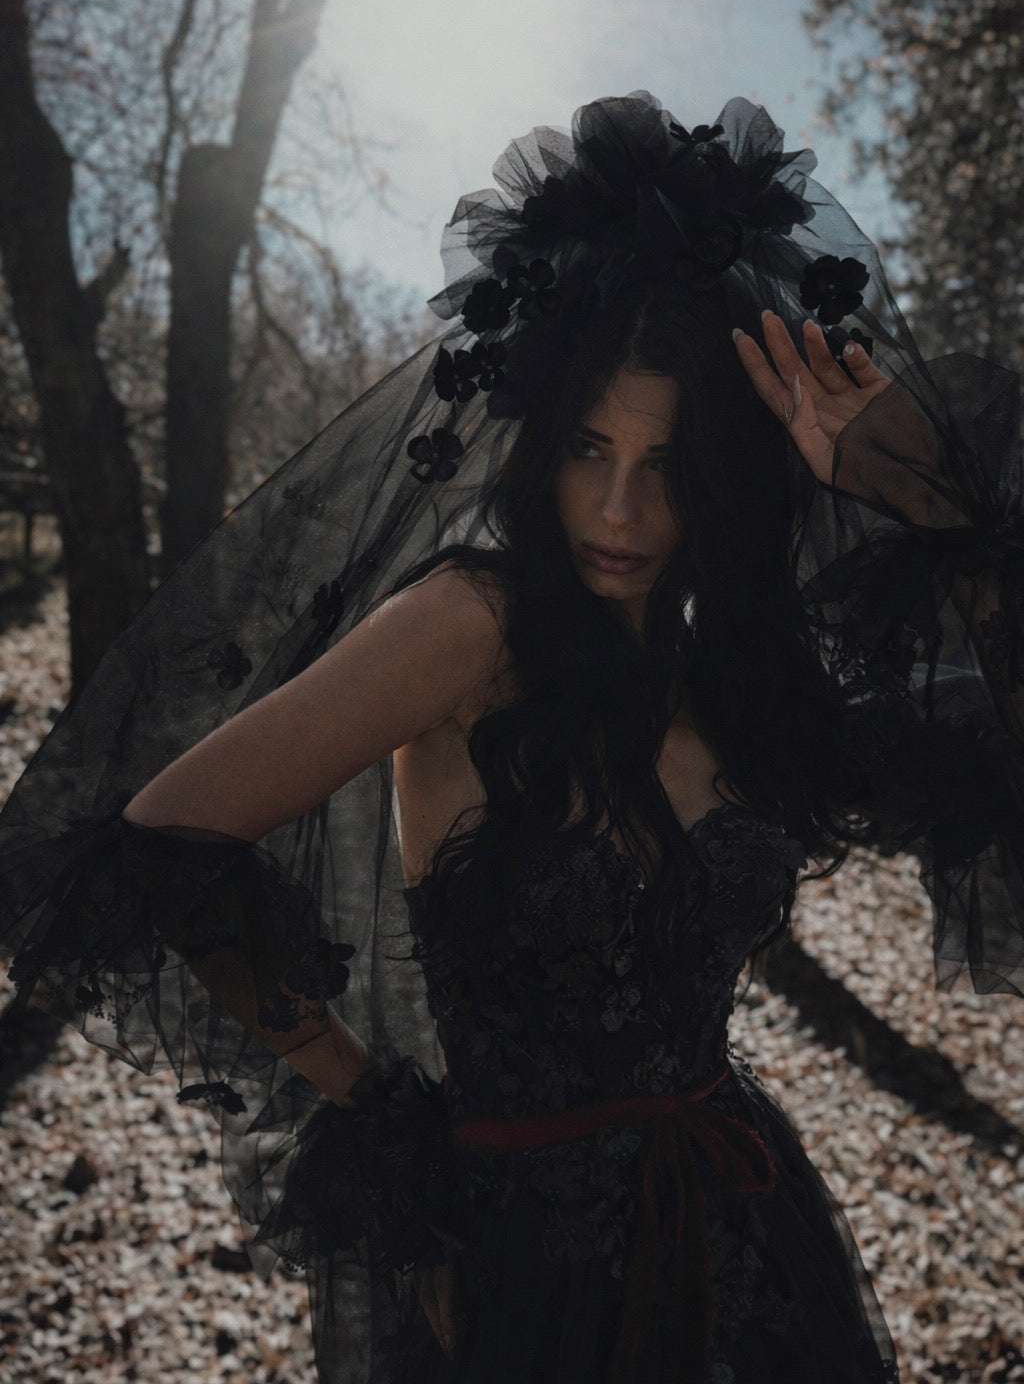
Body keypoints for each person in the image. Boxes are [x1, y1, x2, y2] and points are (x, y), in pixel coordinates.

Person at [2, 92, 1023, 1384]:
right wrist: (386, 1129)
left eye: (667, 464)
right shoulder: (471, 626)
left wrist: (921, 492)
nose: (618, 508)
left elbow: (993, 764)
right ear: (539, 445)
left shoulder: (736, 675)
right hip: (519, 1274)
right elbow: (160, 842)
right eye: (589, 447)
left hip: (747, 1243)